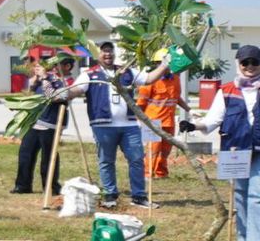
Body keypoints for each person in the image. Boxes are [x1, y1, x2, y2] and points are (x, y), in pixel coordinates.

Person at [62, 41, 169, 210]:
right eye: (104, 52)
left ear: (114, 53)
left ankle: (139, 196)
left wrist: (164, 64)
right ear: (98, 55)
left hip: (129, 125)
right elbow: (76, 91)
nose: (107, 54)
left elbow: (148, 79)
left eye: (110, 51)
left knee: (136, 159)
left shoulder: (125, 71)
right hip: (103, 125)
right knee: (106, 160)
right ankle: (110, 195)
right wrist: (63, 92)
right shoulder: (90, 74)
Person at [182, 44, 260, 241]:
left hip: (259, 149)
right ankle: (244, 239)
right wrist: (193, 125)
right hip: (236, 150)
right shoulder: (226, 91)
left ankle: (257, 240)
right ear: (239, 64)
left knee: (257, 194)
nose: (250, 66)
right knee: (241, 194)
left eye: (255, 62)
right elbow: (212, 121)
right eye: (245, 62)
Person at [12, 56, 73, 194]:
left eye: (58, 64)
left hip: (52, 123)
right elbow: (32, 94)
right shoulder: (47, 77)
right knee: (25, 154)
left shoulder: (68, 81)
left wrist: (45, 78)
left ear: (67, 66)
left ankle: (50, 186)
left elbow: (55, 97)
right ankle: (23, 185)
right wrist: (34, 82)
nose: (55, 67)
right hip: (35, 121)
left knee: (48, 157)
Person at [137, 51, 188, 180]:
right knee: (152, 150)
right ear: (157, 64)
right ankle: (147, 174)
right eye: (163, 63)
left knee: (165, 151)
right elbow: (140, 103)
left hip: (169, 121)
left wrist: (189, 110)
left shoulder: (175, 79)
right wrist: (139, 120)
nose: (167, 66)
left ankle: (161, 173)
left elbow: (176, 98)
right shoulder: (149, 81)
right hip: (152, 121)